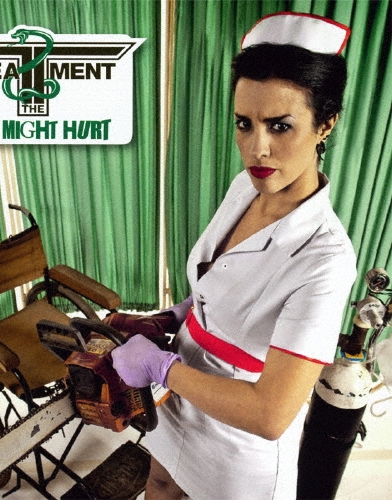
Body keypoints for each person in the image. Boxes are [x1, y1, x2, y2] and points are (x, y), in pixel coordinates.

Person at [107, 12, 357, 500]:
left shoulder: (325, 258)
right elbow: (220, 282)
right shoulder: (245, 188)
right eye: (245, 124)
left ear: (326, 124)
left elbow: (270, 414)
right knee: (159, 482)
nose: (257, 148)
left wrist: (160, 368)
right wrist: (170, 317)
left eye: (280, 126)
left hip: (234, 440)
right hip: (177, 395)